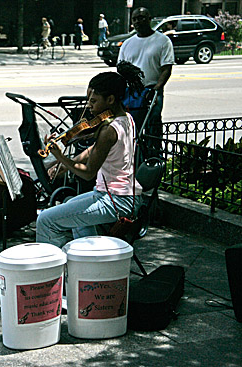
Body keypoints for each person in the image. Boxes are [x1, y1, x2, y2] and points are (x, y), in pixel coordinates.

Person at [36, 62, 145, 248]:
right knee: (71, 206)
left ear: (110, 99)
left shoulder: (109, 129)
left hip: (116, 201)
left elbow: (87, 172)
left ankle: (54, 271)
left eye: (93, 101)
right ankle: (88, 261)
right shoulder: (126, 119)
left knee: (45, 220)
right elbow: (93, 150)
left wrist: (61, 157)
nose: (90, 107)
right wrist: (63, 155)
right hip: (121, 196)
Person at [118, 7, 174, 157]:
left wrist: (156, 89)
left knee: (152, 125)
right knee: (132, 128)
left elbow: (166, 69)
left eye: (142, 17)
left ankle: (154, 160)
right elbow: (121, 69)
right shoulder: (127, 44)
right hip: (132, 92)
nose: (138, 21)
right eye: (135, 19)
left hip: (152, 90)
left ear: (150, 18)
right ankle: (134, 160)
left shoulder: (162, 41)